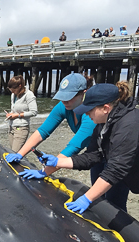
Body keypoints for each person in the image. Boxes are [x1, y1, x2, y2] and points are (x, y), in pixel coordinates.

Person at [38, 82, 139, 214]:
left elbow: (116, 169)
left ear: (105, 108)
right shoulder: (103, 124)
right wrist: (58, 162)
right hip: (129, 173)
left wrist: (86, 198)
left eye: (90, 110)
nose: (86, 114)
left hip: (130, 171)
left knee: (117, 204)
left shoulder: (129, 126)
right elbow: (93, 155)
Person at [6, 73, 95, 180]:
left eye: (69, 97)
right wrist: (20, 154)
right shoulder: (64, 106)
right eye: (62, 97)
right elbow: (43, 131)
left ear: (83, 94)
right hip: (93, 152)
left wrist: (44, 172)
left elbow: (73, 147)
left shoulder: (91, 113)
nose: (64, 101)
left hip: (112, 153)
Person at [5, 76, 38, 152]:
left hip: (21, 128)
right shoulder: (13, 95)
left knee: (15, 154)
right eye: (11, 90)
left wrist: (17, 115)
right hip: (11, 127)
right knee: (12, 152)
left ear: (20, 86)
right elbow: (14, 109)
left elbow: (34, 112)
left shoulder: (29, 95)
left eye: (14, 90)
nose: (12, 92)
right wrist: (10, 114)